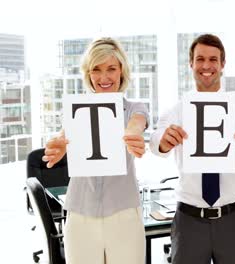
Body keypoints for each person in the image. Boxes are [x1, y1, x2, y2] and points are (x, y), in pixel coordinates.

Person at [149, 34, 235, 264]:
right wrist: (163, 141)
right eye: (200, 59)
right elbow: (155, 140)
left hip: (233, 218)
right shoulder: (178, 110)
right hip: (188, 220)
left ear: (223, 64)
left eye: (213, 59)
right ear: (190, 64)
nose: (206, 65)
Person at [42, 37, 148, 264]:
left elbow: (137, 123)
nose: (104, 77)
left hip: (124, 214)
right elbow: (63, 136)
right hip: (81, 214)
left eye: (111, 68)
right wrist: (58, 146)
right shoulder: (77, 110)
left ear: (122, 71)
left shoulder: (134, 109)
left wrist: (133, 135)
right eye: (96, 70)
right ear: (88, 74)